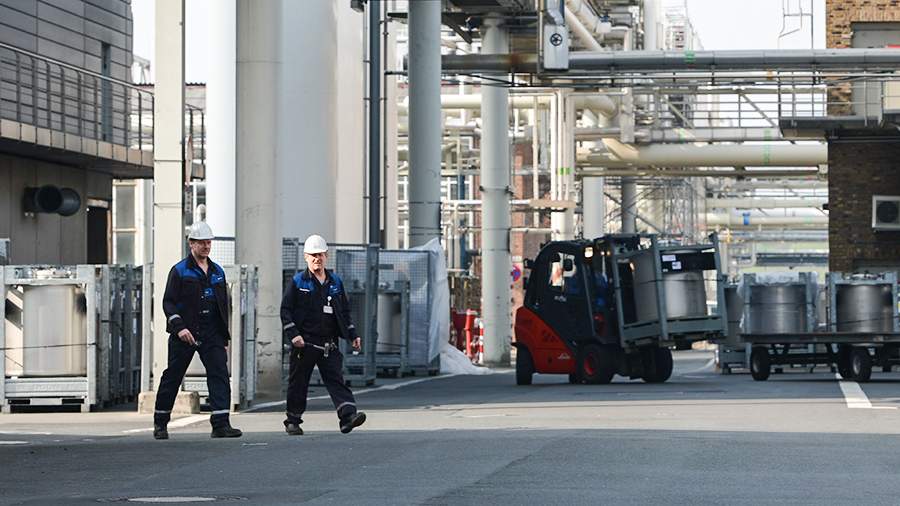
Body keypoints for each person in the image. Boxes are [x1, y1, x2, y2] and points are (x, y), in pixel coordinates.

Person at [153, 222, 242, 440]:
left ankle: (221, 424)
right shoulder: (180, 271)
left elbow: (223, 306)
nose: (206, 246)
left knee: (220, 375)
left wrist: (224, 337)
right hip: (186, 333)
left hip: (212, 332)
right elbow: (168, 303)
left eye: (208, 242)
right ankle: (160, 423)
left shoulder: (217, 272)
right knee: (173, 376)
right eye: (202, 243)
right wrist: (180, 328)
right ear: (191, 244)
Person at [280, 234, 367, 435]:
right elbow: (285, 310)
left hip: (329, 343)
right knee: (298, 382)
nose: (317, 259)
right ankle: (293, 421)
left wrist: (352, 335)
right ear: (306, 257)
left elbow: (344, 311)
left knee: (336, 379)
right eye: (313, 255)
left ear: (326, 255)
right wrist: (294, 335)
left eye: (320, 255)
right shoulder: (298, 282)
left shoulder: (335, 282)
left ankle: (348, 417)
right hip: (305, 344)